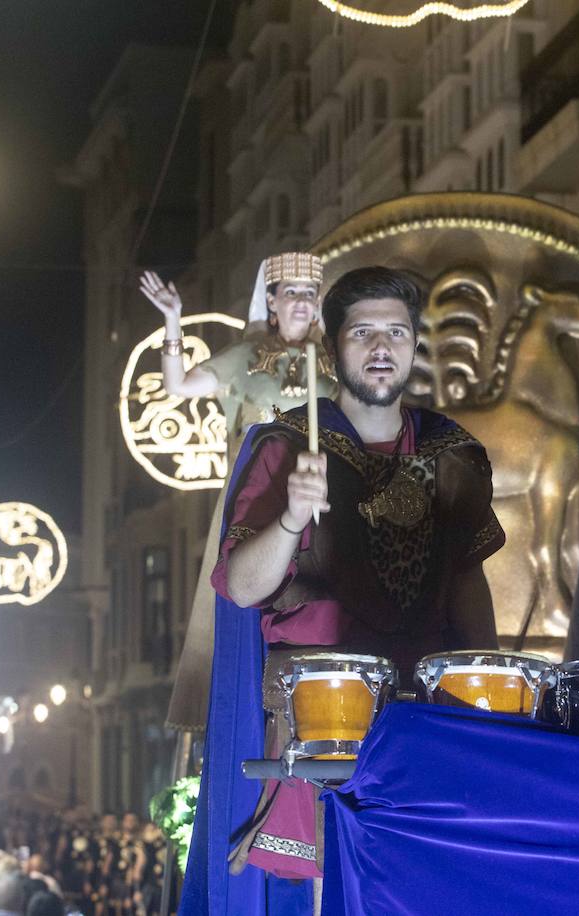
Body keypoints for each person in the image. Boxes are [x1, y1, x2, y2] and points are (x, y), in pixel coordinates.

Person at [180, 266, 504, 914]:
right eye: (363, 333)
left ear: (414, 346)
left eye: (396, 332)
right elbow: (242, 587)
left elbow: (468, 582)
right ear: (333, 349)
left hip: (423, 720)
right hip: (319, 719)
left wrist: (485, 697)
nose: (381, 347)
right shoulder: (285, 446)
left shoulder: (453, 453)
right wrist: (292, 516)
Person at [141, 254, 340, 735]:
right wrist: (172, 320)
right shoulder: (246, 357)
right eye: (290, 292)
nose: (301, 302)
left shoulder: (333, 362)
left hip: (320, 501)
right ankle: (239, 714)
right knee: (244, 603)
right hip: (257, 500)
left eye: (309, 294)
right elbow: (178, 384)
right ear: (271, 301)